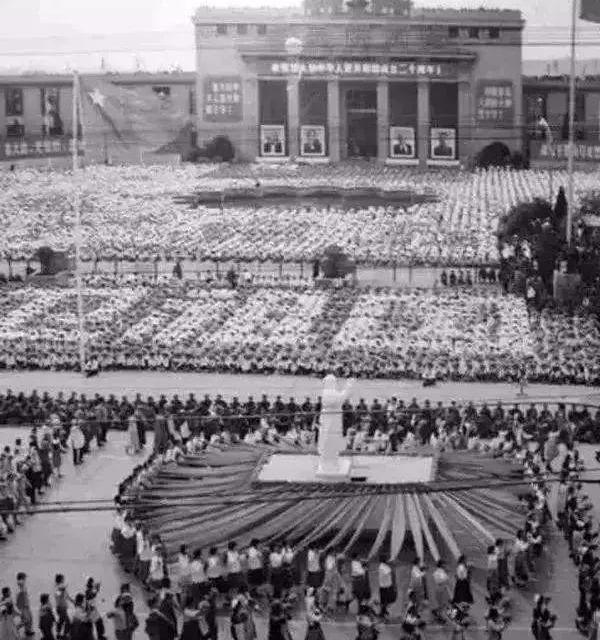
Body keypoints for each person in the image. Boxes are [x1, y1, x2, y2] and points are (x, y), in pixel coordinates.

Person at [16, 571, 34, 637]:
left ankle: (28, 631)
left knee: (30, 618)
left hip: (26, 605)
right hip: (23, 606)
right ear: (22, 578)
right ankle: (16, 628)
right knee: (26, 619)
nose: (25, 579)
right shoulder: (21, 585)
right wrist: (21, 581)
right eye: (24, 577)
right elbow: (19, 583)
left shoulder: (22, 586)